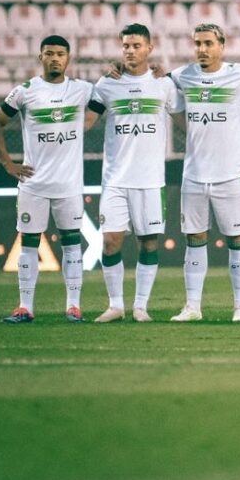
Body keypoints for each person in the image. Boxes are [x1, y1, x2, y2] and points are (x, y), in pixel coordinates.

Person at [0, 35, 98, 323]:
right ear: (41, 57)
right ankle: (25, 307)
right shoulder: (26, 91)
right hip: (34, 184)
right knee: (29, 244)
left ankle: (73, 306)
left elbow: (107, 98)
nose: (55, 58)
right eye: (49, 53)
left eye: (60, 53)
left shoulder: (81, 90)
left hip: (69, 185)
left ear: (68, 58)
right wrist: (8, 163)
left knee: (72, 244)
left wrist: (87, 123)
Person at [168, 24, 240, 323]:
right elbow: (154, 81)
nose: (202, 49)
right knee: (194, 239)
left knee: (237, 239)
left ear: (222, 45)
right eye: (197, 43)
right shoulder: (183, 76)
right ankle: (192, 306)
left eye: (208, 43)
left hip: (231, 174)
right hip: (193, 174)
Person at [89, 24, 178, 323]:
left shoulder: (164, 84)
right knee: (110, 242)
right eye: (126, 45)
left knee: (149, 242)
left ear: (149, 48)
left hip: (151, 180)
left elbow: (182, 118)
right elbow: (86, 121)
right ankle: (116, 304)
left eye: (136, 45)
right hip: (115, 179)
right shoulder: (106, 84)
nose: (130, 50)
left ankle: (141, 306)